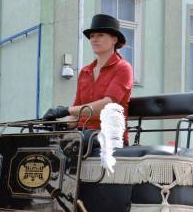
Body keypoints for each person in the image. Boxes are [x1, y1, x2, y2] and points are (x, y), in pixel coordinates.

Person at [42, 14, 134, 143]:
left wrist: (65, 110)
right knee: (44, 142)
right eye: (92, 36)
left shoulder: (123, 68)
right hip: (83, 135)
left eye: (100, 35)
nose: (94, 39)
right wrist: (56, 124)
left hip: (110, 137)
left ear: (114, 39)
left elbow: (107, 105)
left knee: (71, 143)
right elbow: (75, 115)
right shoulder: (85, 71)